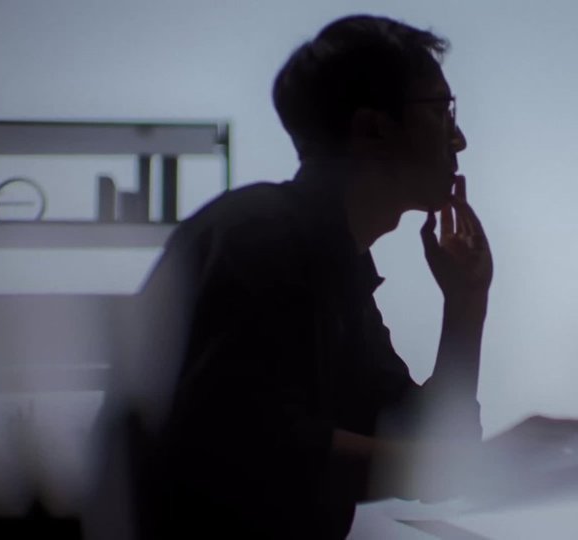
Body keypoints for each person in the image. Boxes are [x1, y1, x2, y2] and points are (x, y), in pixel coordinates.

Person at [87, 14, 490, 540]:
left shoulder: (329, 265)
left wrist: (465, 303)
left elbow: (428, 448)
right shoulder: (259, 238)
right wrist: (484, 462)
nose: (458, 139)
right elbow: (260, 454)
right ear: (373, 128)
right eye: (441, 111)